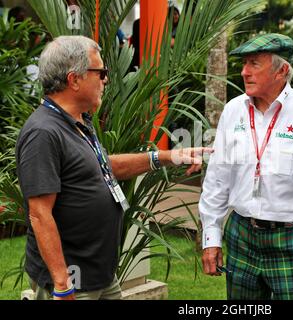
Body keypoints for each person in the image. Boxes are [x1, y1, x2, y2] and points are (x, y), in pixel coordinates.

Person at [16, 35, 210, 300]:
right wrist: (62, 286)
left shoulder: (78, 120)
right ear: (74, 79)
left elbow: (101, 166)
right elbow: (39, 214)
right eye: (101, 72)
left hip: (100, 274)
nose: (106, 79)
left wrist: (168, 157)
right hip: (74, 280)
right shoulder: (43, 132)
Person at [199, 33, 293, 300]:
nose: (244, 72)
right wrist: (211, 237)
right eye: (244, 64)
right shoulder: (233, 110)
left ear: (282, 70)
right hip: (241, 236)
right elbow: (217, 178)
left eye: (254, 64)